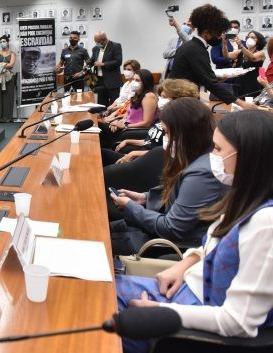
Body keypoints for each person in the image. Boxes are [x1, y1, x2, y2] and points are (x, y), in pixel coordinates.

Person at [116, 110, 273, 353]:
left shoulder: (266, 224)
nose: (213, 157)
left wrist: (162, 313)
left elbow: (238, 322)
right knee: (98, 289)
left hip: (190, 319)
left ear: (248, 158)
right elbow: (213, 243)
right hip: (183, 292)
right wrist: (186, 262)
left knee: (94, 309)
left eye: (219, 150)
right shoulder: (243, 196)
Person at [108, 98, 227, 256]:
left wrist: (131, 206)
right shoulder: (193, 156)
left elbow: (172, 228)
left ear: (186, 133)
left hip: (167, 244)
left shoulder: (203, 173)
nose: (164, 138)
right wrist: (144, 198)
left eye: (166, 132)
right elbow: (179, 192)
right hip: (155, 229)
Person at [169, 5, 256, 109]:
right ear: (206, 32)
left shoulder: (192, 47)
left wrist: (216, 79)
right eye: (218, 33)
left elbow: (196, 76)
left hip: (182, 102)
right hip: (184, 106)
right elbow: (211, 84)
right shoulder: (196, 50)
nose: (220, 37)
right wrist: (242, 104)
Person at [99, 69, 158, 149]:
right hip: (126, 126)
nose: (133, 82)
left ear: (145, 82)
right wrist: (118, 122)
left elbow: (147, 123)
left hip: (133, 129)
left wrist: (125, 126)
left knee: (100, 127)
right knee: (99, 125)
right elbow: (127, 114)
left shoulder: (149, 96)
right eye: (133, 79)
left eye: (137, 80)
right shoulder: (135, 95)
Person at [87, 31, 123, 106]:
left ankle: (111, 117)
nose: (96, 44)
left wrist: (103, 64)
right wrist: (86, 65)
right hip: (99, 81)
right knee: (101, 104)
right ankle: (102, 117)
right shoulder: (95, 48)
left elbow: (118, 61)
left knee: (114, 103)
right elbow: (92, 60)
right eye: (95, 42)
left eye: (97, 42)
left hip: (112, 81)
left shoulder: (115, 46)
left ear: (104, 40)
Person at [234, 30, 266, 97]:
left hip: (252, 84)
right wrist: (224, 43)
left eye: (253, 37)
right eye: (248, 37)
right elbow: (227, 55)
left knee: (251, 104)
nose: (250, 39)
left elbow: (252, 57)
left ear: (259, 40)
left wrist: (240, 45)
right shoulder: (241, 52)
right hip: (240, 82)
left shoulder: (261, 53)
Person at [0, 35, 17, 123]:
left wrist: (1, 65)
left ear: (7, 42)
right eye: (1, 42)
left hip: (8, 77)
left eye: (4, 41)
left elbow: (11, 65)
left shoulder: (12, 53)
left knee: (8, 96)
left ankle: (7, 118)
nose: (2, 43)